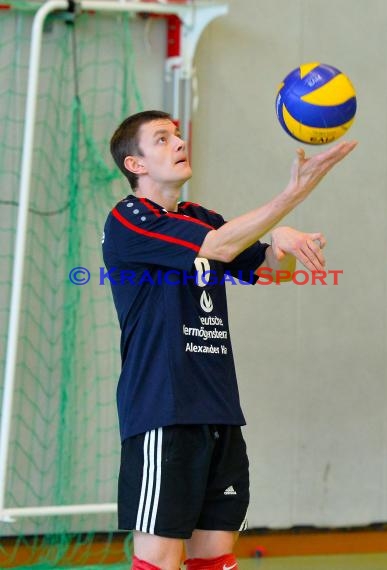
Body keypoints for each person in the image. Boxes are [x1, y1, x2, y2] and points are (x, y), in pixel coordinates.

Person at [103, 110, 356, 570]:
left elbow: (272, 273)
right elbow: (220, 247)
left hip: (218, 409)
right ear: (135, 165)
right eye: (161, 139)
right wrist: (292, 195)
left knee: (216, 558)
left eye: (177, 135)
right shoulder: (130, 217)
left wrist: (281, 243)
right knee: (160, 559)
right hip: (165, 411)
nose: (178, 143)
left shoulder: (201, 218)